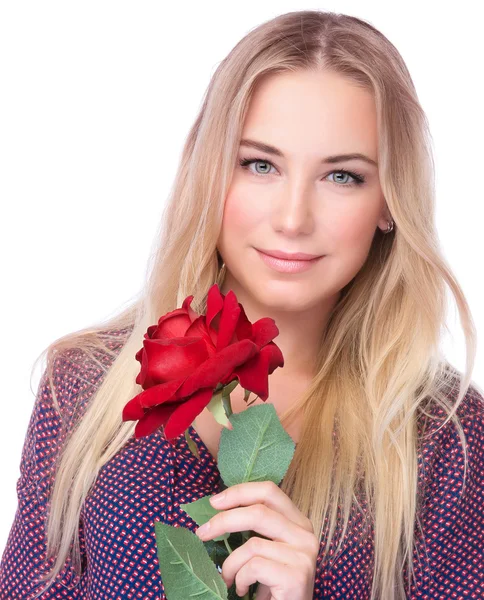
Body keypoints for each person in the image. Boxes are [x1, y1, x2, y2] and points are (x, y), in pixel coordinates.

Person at [1, 9, 483, 600]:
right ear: (211, 173)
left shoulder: (443, 440)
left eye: (342, 177)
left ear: (390, 201)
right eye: (260, 164)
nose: (292, 218)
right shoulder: (83, 386)